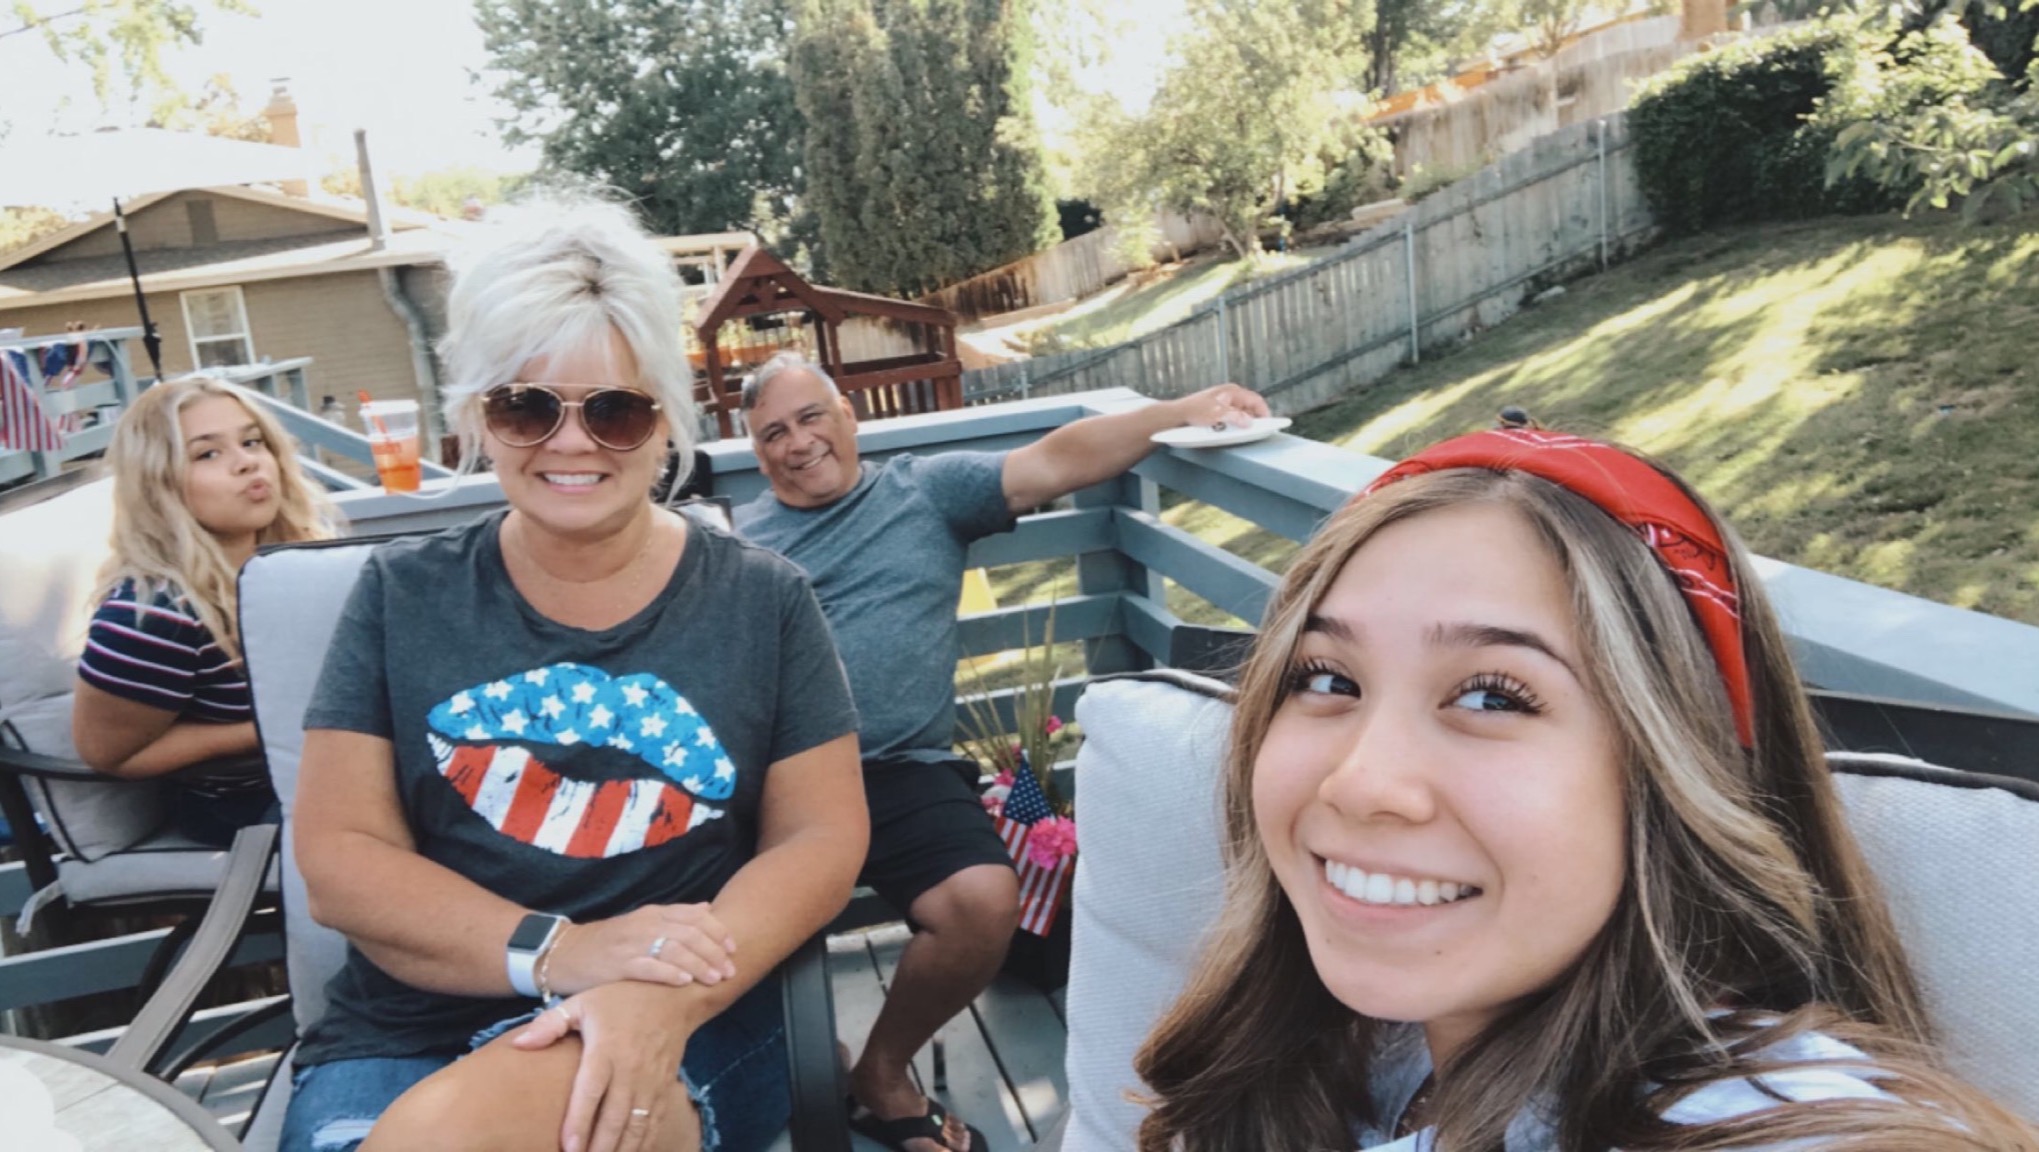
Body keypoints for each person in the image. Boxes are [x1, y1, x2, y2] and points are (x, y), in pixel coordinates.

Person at [1133, 425, 2039, 1151]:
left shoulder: (1776, 1122)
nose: (1360, 781)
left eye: (1492, 696)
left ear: (1669, 773)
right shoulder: (1353, 1057)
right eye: (1326, 678)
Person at [282, 199, 868, 1152]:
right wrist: (564, 953)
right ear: (479, 417)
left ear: (665, 419)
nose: (569, 442)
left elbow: (821, 837)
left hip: (683, 1011)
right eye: (525, 407)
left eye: (614, 410)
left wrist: (657, 991)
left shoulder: (764, 601)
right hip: (405, 1035)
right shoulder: (401, 595)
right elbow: (341, 860)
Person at [734, 352, 1269, 1152]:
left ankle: (880, 1071)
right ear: (756, 453)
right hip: (781, 780)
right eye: (773, 432)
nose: (798, 442)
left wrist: (1179, 411)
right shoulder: (738, 542)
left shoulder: (923, 492)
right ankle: (799, 1060)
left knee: (982, 902)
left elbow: (1055, 459)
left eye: (811, 417)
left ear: (847, 416)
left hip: (900, 771)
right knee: (708, 904)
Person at [73, 374, 339, 847]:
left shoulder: (301, 565)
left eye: (252, 442)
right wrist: (267, 729)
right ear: (159, 483)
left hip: (334, 771)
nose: (247, 463)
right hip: (246, 805)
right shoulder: (156, 614)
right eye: (207, 454)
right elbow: (110, 754)